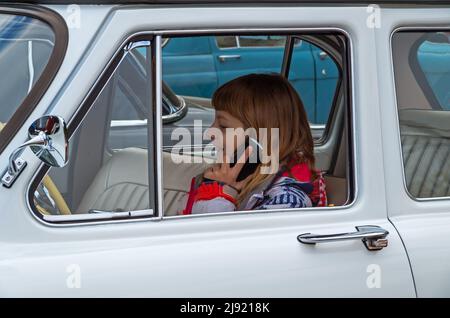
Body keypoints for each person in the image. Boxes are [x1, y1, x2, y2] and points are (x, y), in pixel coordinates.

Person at [182, 73, 327, 214]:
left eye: (223, 126)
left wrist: (218, 194)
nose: (210, 132)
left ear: (260, 138)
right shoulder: (233, 179)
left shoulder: (287, 202)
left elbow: (218, 236)